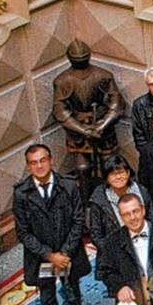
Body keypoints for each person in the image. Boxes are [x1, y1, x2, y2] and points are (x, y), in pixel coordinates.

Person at [13, 144, 96, 305]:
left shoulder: (68, 186)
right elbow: (23, 232)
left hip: (68, 252)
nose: (39, 165)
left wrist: (65, 252)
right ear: (28, 166)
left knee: (73, 292)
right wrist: (50, 255)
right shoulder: (21, 193)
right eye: (34, 162)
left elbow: (78, 220)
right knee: (47, 296)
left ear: (50, 160)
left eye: (43, 160)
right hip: (41, 257)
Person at [51, 39, 125, 199]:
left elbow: (116, 102)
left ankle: (115, 198)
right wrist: (82, 129)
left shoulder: (103, 75)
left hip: (102, 125)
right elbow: (60, 110)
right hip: (78, 129)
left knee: (110, 165)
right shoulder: (62, 80)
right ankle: (87, 203)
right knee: (83, 168)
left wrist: (104, 124)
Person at [88, 155, 153, 278]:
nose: (118, 177)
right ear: (106, 177)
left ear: (128, 172)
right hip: (116, 253)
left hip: (144, 246)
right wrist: (114, 252)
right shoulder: (99, 199)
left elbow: (152, 220)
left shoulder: (141, 192)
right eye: (113, 174)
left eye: (121, 172)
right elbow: (96, 234)